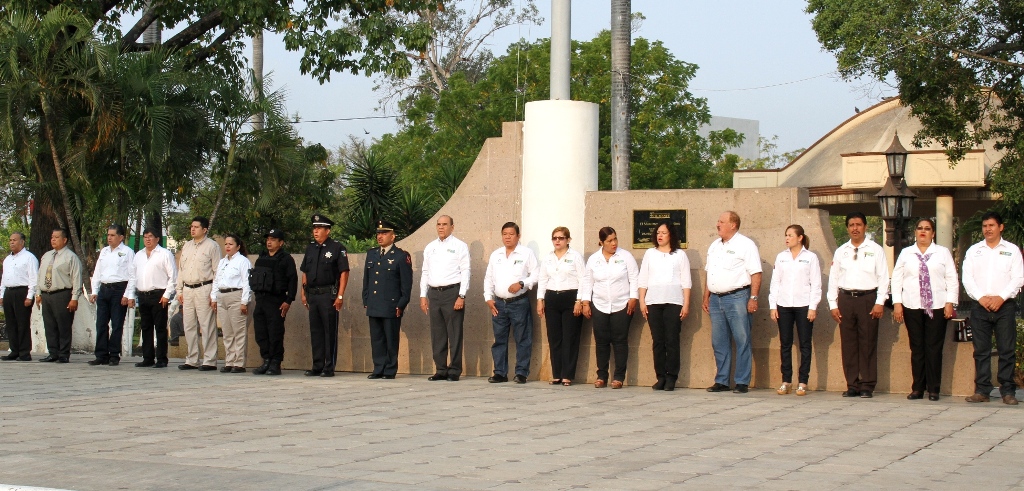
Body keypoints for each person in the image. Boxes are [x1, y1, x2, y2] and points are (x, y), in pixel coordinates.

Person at [891, 218, 958, 401]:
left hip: (936, 306)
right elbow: (897, 279)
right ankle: (917, 388)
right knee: (917, 348)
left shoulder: (942, 253)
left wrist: (950, 301)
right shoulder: (906, 253)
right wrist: (897, 303)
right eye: (919, 228)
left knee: (934, 348)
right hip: (912, 305)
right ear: (915, 232)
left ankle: (934, 388)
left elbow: (951, 278)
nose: (923, 231)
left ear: (933, 233)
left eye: (927, 229)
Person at [962, 211, 1024, 405]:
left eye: (991, 225)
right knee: (981, 350)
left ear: (1000, 227)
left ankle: (1007, 391)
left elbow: (1018, 278)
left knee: (1006, 349)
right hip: (980, 306)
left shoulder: (1012, 250)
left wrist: (1001, 297)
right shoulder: (974, 250)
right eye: (985, 226)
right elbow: (967, 278)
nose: (987, 229)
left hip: (1004, 306)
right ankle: (982, 390)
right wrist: (981, 298)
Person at [827, 212, 889, 398]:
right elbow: (833, 279)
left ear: (865, 227)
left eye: (858, 224)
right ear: (847, 228)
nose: (855, 228)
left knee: (868, 342)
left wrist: (880, 302)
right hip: (846, 299)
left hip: (868, 299)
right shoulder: (841, 251)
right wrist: (833, 304)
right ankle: (852, 384)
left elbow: (883, 277)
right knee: (849, 344)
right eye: (851, 225)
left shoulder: (875, 249)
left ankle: (867, 385)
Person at [703, 211, 762, 394]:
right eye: (718, 220)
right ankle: (722, 380)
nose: (717, 224)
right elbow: (709, 273)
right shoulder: (714, 246)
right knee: (719, 341)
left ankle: (742, 381)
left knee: (742, 338)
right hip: (716, 299)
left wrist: (753, 298)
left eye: (721, 221)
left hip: (737, 297)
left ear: (733, 225)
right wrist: (706, 296)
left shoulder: (746, 245)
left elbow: (756, 273)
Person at [580, 226, 639, 389]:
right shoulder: (593, 259)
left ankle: (619, 377)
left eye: (615, 239)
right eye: (609, 241)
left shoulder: (625, 256)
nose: (614, 243)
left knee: (620, 341)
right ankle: (601, 375)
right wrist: (586, 302)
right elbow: (588, 282)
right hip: (599, 304)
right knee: (601, 341)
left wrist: (633, 297)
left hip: (622, 304)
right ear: (601, 242)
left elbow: (634, 277)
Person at [638, 221, 692, 392]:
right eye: (658, 232)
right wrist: (641, 301)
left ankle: (671, 377)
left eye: (664, 233)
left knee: (672, 340)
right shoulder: (650, 254)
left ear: (671, 235)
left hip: (674, 302)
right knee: (658, 341)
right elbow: (643, 279)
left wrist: (686, 304)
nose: (660, 235)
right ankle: (660, 376)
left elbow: (686, 281)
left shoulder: (679, 255)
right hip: (653, 302)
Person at [768, 225, 821, 396]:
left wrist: (813, 306)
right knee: (785, 343)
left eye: (790, 235)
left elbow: (816, 284)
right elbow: (776, 282)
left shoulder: (810, 257)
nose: (787, 238)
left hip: (803, 305)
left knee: (805, 344)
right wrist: (772, 305)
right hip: (784, 305)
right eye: (786, 235)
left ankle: (803, 381)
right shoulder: (781, 257)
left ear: (800, 238)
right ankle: (786, 381)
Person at [483, 222, 539, 384]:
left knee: (523, 338)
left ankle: (521, 373)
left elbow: (536, 274)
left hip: (519, 303)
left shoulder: (526, 253)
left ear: (518, 236)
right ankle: (500, 372)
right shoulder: (496, 255)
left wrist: (522, 283)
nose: (507, 237)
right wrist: (488, 298)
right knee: (499, 339)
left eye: (511, 234)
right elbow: (489, 278)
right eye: (504, 234)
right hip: (499, 303)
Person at [420, 215, 471, 382]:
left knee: (454, 333)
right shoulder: (430, 247)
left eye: (445, 224)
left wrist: (461, 295)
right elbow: (425, 272)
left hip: (452, 293)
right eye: (439, 224)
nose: (441, 227)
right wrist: (423, 295)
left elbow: (466, 272)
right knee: (437, 334)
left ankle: (454, 369)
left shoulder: (460, 246)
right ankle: (440, 369)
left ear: (452, 227)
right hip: (434, 294)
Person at [300, 214, 350, 378]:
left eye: (319, 228)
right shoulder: (310, 248)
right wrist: (303, 292)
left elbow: (344, 272)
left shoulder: (337, 248)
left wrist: (340, 295)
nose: (316, 231)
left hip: (328, 294)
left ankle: (329, 366)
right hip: (313, 295)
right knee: (316, 332)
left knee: (329, 331)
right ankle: (317, 365)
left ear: (327, 230)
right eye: (314, 228)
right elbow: (305, 272)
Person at [362, 220, 413, 379]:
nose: (380, 236)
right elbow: (367, 279)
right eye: (378, 233)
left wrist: (402, 304)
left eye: (384, 233)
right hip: (374, 303)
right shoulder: (372, 254)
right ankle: (378, 368)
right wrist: (366, 299)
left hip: (391, 305)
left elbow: (406, 284)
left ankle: (390, 369)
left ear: (393, 236)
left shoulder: (401, 256)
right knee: (377, 339)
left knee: (391, 339)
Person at [537, 226, 585, 386]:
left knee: (570, 338)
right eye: (555, 238)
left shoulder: (575, 256)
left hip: (570, 297)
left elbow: (582, 279)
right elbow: (543, 279)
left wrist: (579, 301)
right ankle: (557, 373)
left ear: (568, 240)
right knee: (554, 338)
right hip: (552, 297)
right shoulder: (548, 258)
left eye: (561, 238)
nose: (557, 241)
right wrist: (540, 299)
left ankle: (567, 374)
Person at [250, 228, 297, 376]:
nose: (269, 242)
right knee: (261, 332)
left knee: (275, 332)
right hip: (261, 300)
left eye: (273, 239)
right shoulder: (261, 258)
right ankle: (266, 360)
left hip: (276, 300)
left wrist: (288, 300)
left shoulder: (286, 259)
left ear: (281, 242)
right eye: (268, 239)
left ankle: (275, 362)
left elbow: (292, 281)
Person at [87, 224, 136, 366]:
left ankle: (114, 354)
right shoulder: (104, 252)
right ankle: (101, 355)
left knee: (117, 324)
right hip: (104, 289)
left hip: (119, 289)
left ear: (121, 237)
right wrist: (94, 291)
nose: (109, 237)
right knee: (101, 323)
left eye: (113, 235)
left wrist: (128, 294)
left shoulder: (127, 252)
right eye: (108, 235)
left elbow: (132, 275)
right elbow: (97, 272)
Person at [177, 217, 221, 371]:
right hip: (188, 289)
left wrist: (214, 295)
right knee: (189, 325)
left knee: (206, 325)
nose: (192, 229)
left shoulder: (212, 246)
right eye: (191, 226)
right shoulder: (187, 246)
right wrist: (179, 290)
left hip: (204, 288)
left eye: (196, 227)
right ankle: (192, 358)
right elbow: (181, 270)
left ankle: (209, 360)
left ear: (204, 229)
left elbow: (217, 272)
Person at [34, 229, 83, 363]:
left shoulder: (71, 257)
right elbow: (40, 276)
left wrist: (74, 298)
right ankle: (53, 352)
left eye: (56, 237)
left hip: (62, 294)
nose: (53, 240)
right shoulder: (47, 255)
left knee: (63, 325)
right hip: (46, 294)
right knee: (49, 325)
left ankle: (63, 354)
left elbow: (76, 278)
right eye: (52, 237)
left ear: (65, 239)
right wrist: (38, 293)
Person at [132, 228, 177, 368]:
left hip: (159, 295)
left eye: (150, 236)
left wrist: (166, 295)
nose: (147, 239)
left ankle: (162, 358)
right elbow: (133, 276)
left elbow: (173, 276)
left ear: (157, 239)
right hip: (143, 294)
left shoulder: (164, 254)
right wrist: (131, 295)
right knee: (145, 327)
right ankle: (147, 358)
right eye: (145, 237)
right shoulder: (138, 255)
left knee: (160, 328)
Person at [211, 234, 251, 373]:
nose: (227, 246)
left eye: (230, 244)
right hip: (222, 296)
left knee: (238, 331)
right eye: (226, 244)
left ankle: (239, 363)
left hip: (236, 295)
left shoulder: (242, 261)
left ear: (238, 246)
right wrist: (214, 298)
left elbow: (247, 283)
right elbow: (216, 280)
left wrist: (244, 301)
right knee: (227, 332)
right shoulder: (222, 262)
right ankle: (229, 361)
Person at [1, 233, 38, 361]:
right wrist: (2, 295)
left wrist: (30, 296)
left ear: (22, 242)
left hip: (22, 292)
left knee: (22, 323)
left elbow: (34, 278)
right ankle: (14, 350)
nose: (12, 242)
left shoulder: (29, 258)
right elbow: (4, 278)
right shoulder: (7, 259)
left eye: (14, 240)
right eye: (10, 240)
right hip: (9, 292)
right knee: (11, 323)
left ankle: (24, 352)